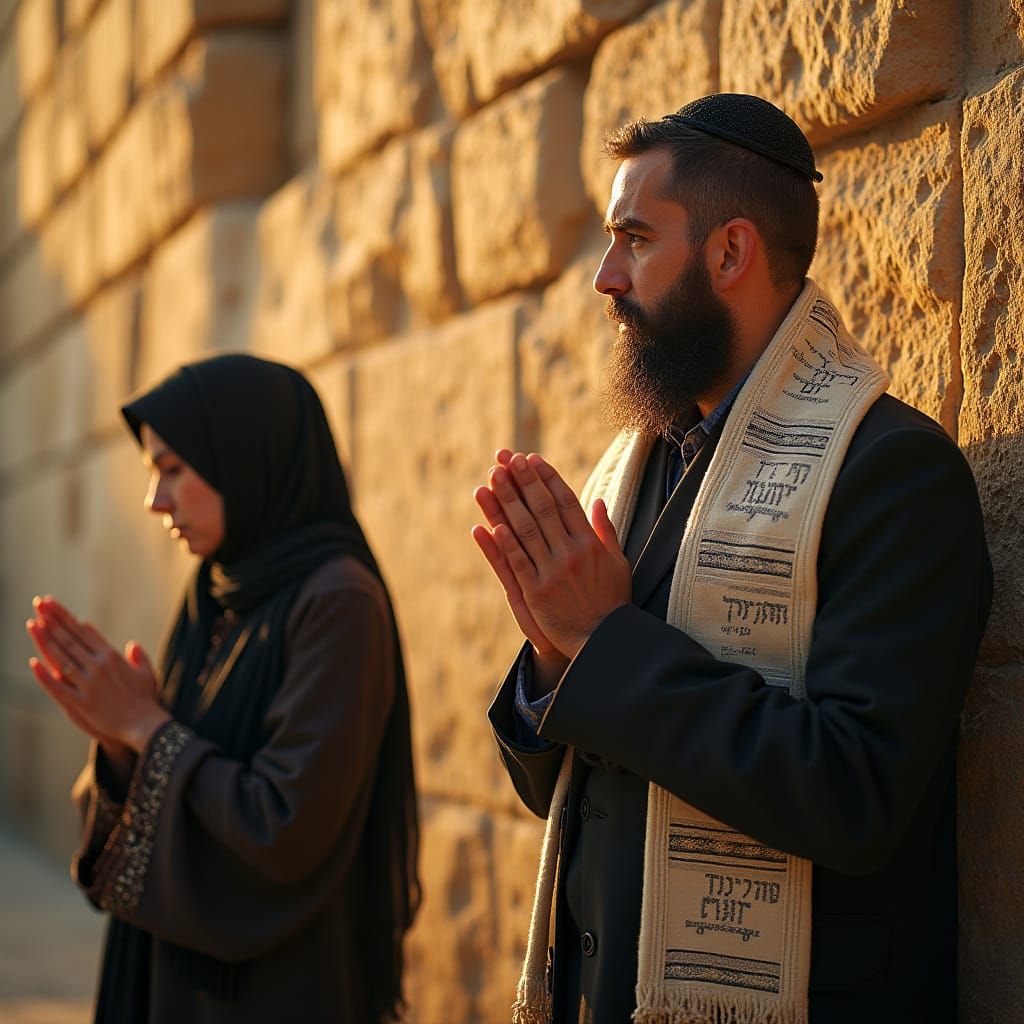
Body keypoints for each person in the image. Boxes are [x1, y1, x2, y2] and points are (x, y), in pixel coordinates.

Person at [474, 94, 992, 1024]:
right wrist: (558, 657)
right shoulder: (637, 470)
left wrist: (602, 638)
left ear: (729, 253)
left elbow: (854, 793)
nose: (603, 276)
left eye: (635, 238)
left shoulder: (891, 474)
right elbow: (565, 789)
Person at [25, 354, 420, 1023]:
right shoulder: (217, 588)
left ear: (246, 454)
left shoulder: (337, 602)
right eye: (154, 471)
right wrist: (120, 741)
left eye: (174, 468)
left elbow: (286, 830)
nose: (156, 501)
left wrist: (146, 727)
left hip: (273, 992)